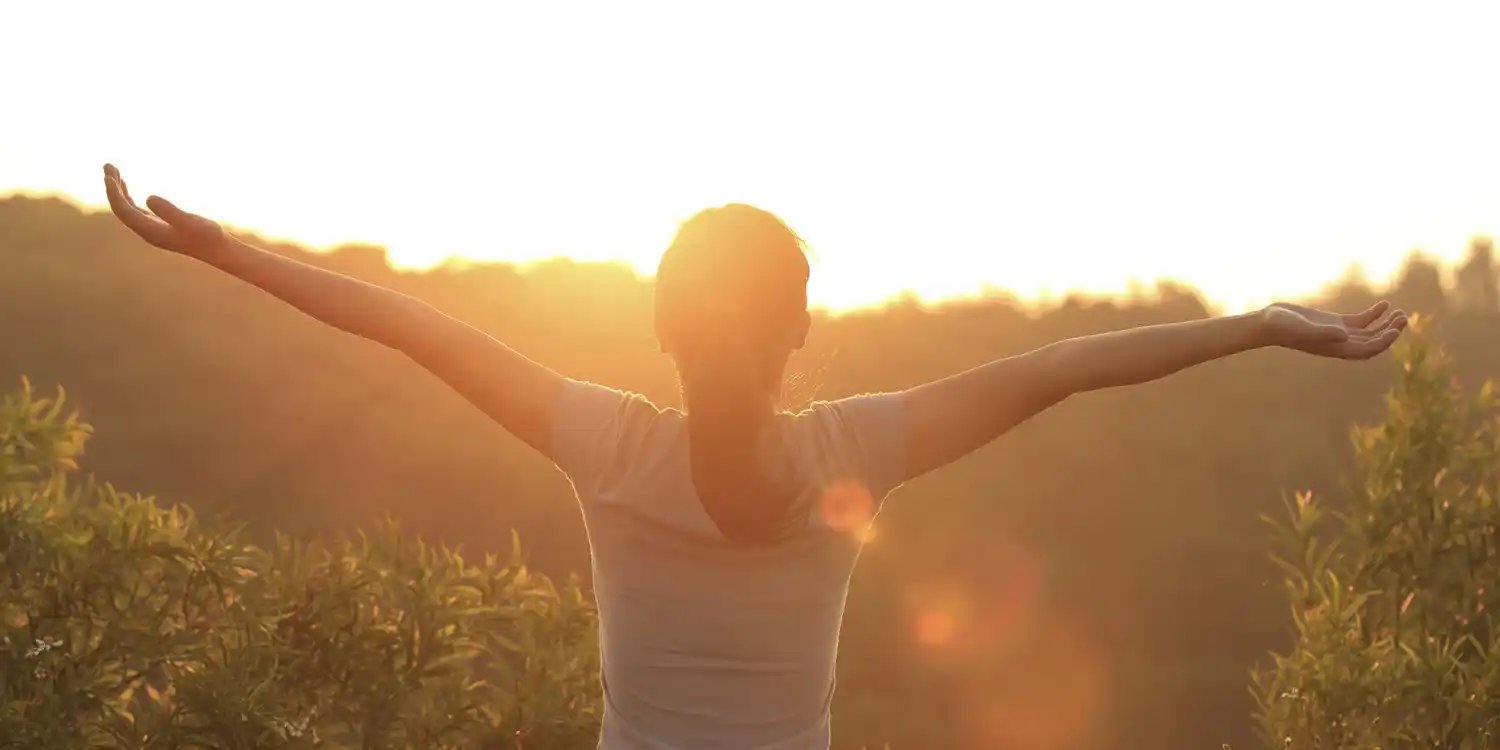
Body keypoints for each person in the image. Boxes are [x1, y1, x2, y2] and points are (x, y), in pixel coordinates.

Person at [101, 163, 1408, 749]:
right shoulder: (858, 448)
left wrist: (220, 250)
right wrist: (1268, 325)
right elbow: (1074, 364)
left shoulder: (605, 443)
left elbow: (406, 326)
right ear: (798, 332)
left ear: (663, 329)